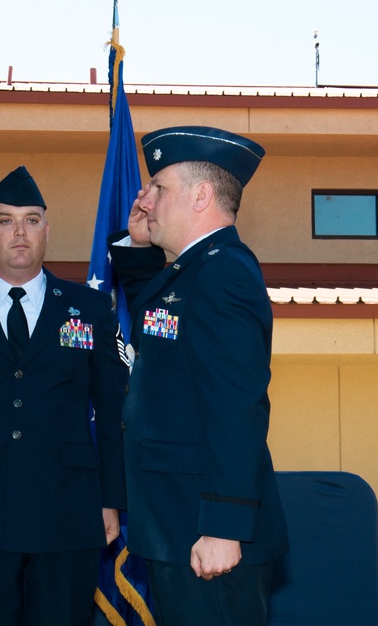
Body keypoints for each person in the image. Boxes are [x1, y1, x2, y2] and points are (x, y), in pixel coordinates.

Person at [108, 126, 288, 626]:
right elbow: (155, 327)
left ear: (202, 195)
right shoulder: (193, 271)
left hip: (206, 532)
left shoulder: (223, 273)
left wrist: (224, 527)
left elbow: (237, 406)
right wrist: (138, 245)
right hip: (177, 524)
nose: (145, 199)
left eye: (159, 187)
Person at [0, 166, 126, 625]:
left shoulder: (88, 307)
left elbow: (112, 409)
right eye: (6, 220)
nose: (20, 232)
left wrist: (111, 501)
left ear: (47, 229)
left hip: (67, 514)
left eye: (31, 219)